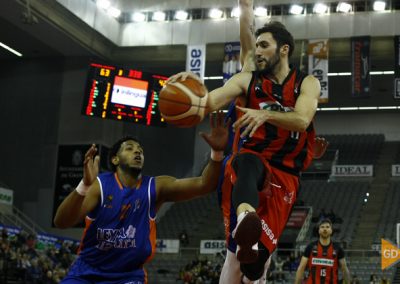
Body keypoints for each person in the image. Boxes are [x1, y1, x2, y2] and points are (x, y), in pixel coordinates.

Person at [168, 14, 321, 284]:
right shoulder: (246, 79)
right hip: (252, 164)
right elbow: (206, 103)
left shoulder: (306, 83)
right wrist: (188, 91)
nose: (257, 51)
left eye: (264, 45)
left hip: (286, 177)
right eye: (257, 46)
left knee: (254, 265)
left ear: (284, 49)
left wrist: (265, 115)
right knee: (245, 162)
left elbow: (301, 120)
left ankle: (252, 247)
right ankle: (245, 218)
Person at [53, 112, 229, 284]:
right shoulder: (100, 186)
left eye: (140, 150)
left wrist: (217, 152)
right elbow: (61, 222)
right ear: (115, 159)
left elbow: (205, 184)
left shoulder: (156, 187)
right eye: (130, 148)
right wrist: (84, 185)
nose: (137, 152)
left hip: (128, 276)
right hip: (87, 273)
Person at [295, 219, 350, 284]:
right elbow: (301, 268)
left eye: (327, 227)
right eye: (322, 227)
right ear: (319, 230)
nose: (325, 229)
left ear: (331, 230)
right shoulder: (310, 247)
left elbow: (344, 269)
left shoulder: (338, 248)